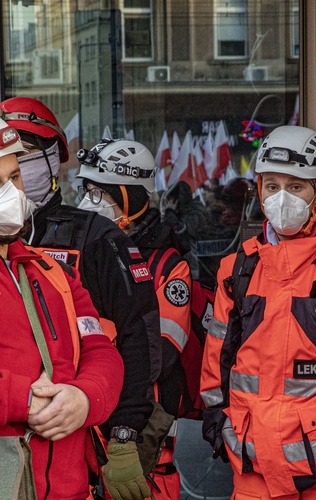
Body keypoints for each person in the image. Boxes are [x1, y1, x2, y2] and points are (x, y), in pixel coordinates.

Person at [200, 125, 316, 499]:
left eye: (296, 186)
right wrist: (219, 427)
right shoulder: (238, 269)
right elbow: (216, 362)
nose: (282, 198)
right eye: (272, 186)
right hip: (254, 473)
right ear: (260, 190)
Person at [0, 97, 160, 500]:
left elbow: (108, 348)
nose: (13, 193)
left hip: (71, 483)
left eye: (16, 177)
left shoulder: (53, 269)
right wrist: (25, 399)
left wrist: (87, 400)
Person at [77, 138, 193, 499]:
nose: (90, 202)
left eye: (102, 193)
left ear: (134, 197)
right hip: (89, 418)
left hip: (144, 429)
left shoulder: (168, 266)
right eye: (88, 190)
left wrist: (98, 338)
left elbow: (156, 352)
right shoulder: (85, 252)